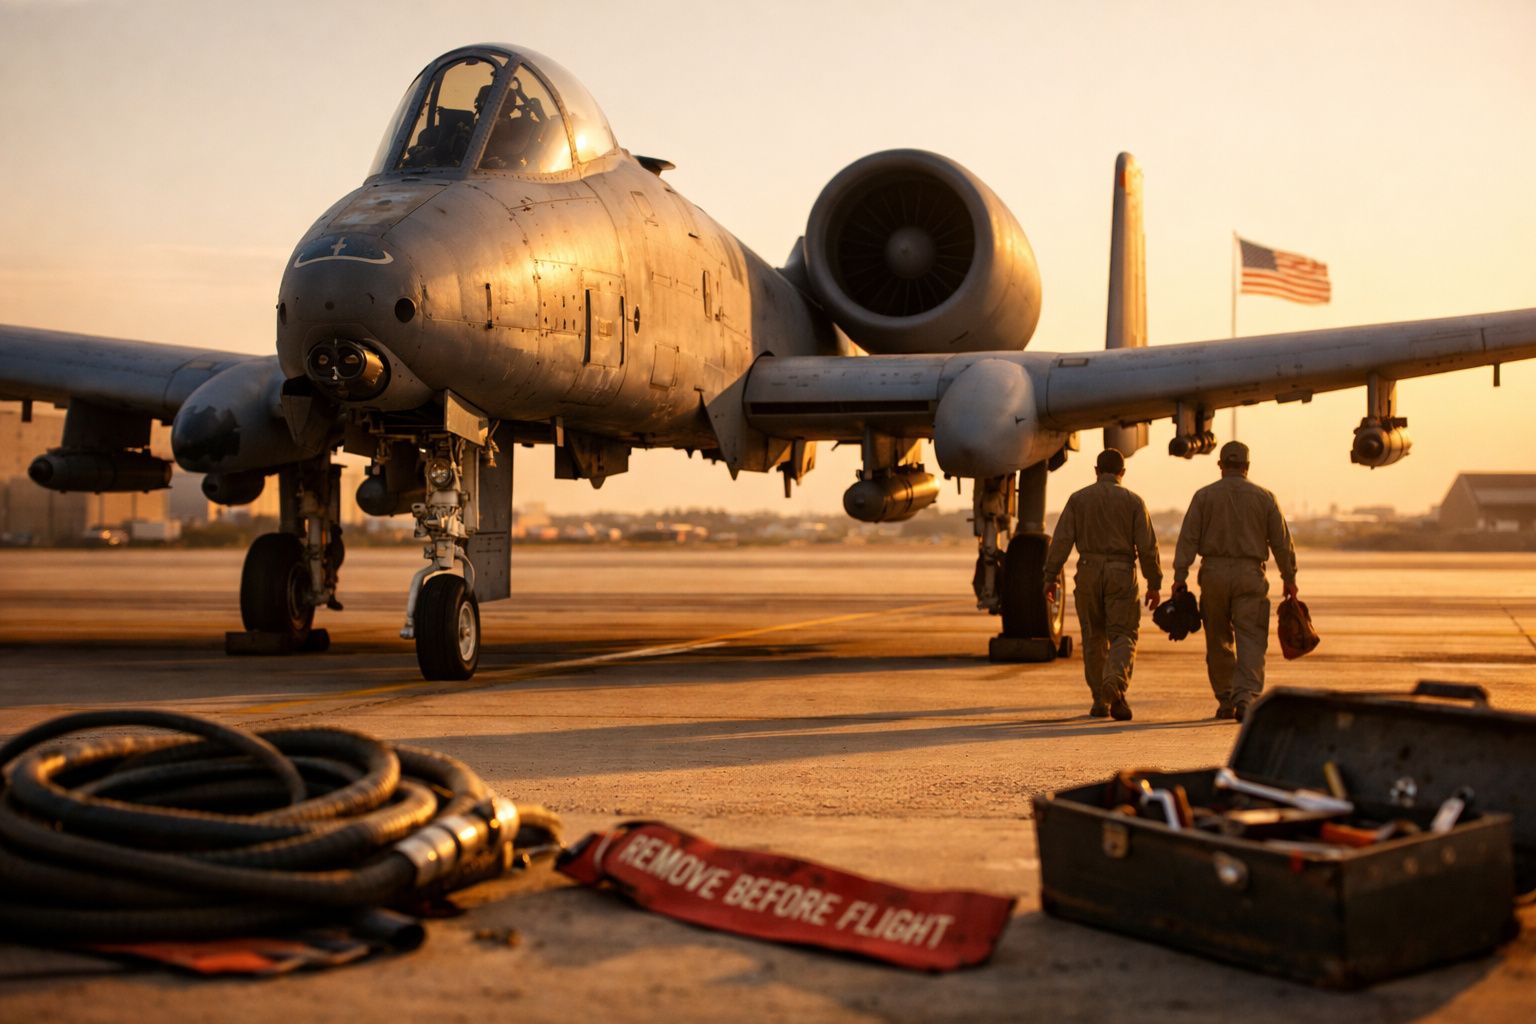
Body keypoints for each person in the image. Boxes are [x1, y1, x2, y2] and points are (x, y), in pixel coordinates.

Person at [1172, 441, 1298, 723]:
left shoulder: (1203, 497)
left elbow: (1188, 539)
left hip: (1213, 575)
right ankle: (1245, 698)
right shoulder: (1265, 498)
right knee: (1251, 638)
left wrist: (1180, 577)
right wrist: (1289, 579)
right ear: (1247, 466)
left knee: (1217, 640)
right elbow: (1282, 543)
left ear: (1220, 466)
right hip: (1250, 575)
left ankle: (1225, 699)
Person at [1043, 448, 1162, 721]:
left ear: (1096, 471)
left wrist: (1050, 577)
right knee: (1123, 634)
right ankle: (1115, 681)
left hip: (1087, 571)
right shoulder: (1134, 502)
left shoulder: (1078, 500)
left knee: (1093, 636)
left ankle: (1100, 699)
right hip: (1121, 571)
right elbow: (1147, 547)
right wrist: (1153, 583)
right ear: (1122, 472)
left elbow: (1061, 541)